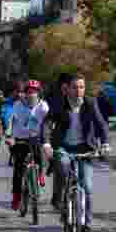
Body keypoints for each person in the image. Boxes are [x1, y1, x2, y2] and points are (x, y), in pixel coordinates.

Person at [42, 74, 110, 232]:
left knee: (87, 186)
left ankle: (87, 224)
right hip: (64, 147)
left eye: (81, 87)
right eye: (75, 87)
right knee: (63, 166)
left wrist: (105, 143)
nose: (79, 90)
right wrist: (47, 143)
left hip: (85, 149)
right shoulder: (60, 103)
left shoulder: (90, 103)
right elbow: (46, 124)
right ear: (68, 89)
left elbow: (101, 125)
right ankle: (63, 202)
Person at [4, 79, 49, 211]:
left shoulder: (43, 106)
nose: (31, 95)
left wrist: (48, 139)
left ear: (39, 94)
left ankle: (40, 173)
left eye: (34, 92)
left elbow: (48, 122)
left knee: (40, 155)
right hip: (20, 139)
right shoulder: (18, 105)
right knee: (18, 169)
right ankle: (17, 196)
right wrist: (9, 136)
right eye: (29, 92)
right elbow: (11, 120)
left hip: (35, 138)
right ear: (25, 93)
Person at [43, 72, 73, 209]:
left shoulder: (77, 97)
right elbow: (47, 117)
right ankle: (57, 196)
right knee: (59, 166)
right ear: (61, 86)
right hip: (56, 134)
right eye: (66, 86)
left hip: (74, 139)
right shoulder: (53, 97)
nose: (68, 88)